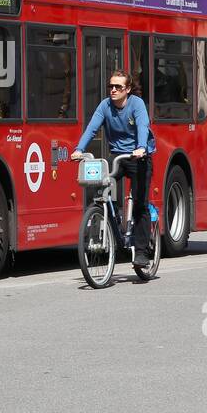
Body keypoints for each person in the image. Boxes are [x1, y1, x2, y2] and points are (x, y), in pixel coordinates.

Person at [70, 71, 157, 269]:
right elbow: (92, 128)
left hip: (138, 157)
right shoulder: (105, 105)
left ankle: (142, 252)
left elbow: (143, 125)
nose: (113, 90)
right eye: (111, 86)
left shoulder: (137, 104)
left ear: (127, 90)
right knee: (99, 186)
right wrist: (79, 149)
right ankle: (109, 217)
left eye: (118, 87)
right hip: (117, 156)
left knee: (140, 205)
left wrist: (141, 147)